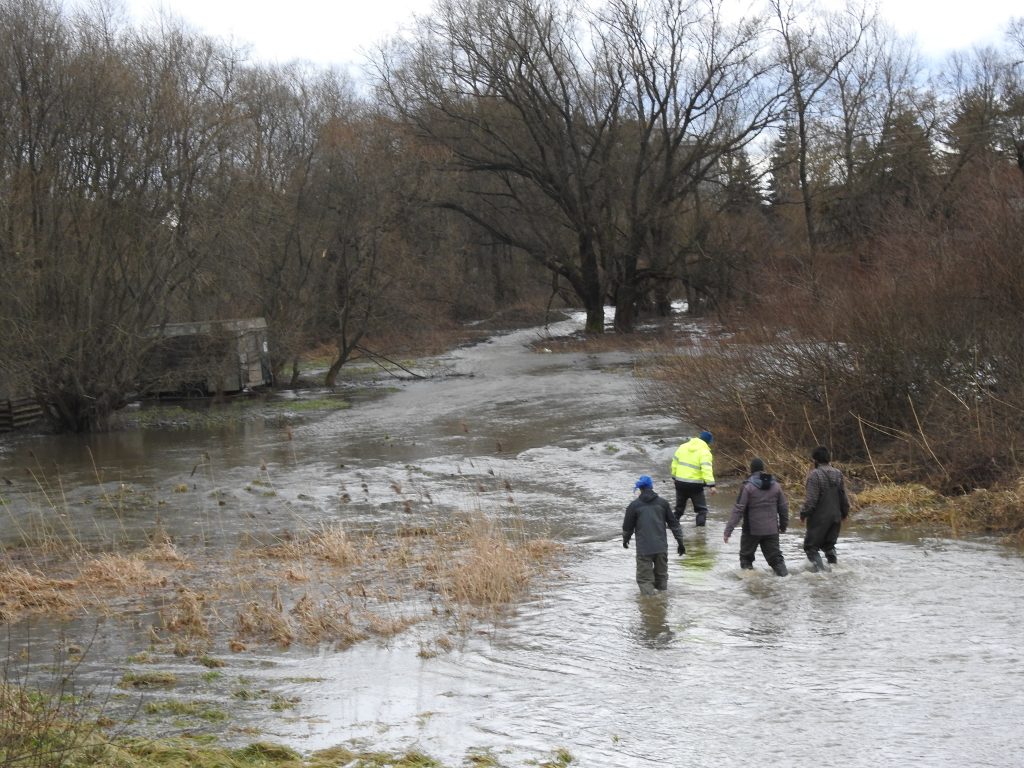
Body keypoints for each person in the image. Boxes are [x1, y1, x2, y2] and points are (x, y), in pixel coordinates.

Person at [723, 457, 789, 576]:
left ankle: (751, 585)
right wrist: (783, 526)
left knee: (746, 559)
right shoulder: (776, 486)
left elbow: (738, 510)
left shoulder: (748, 487)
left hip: (751, 531)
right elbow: (783, 507)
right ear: (763, 469)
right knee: (776, 560)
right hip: (772, 530)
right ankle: (786, 579)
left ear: (751, 470)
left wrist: (728, 531)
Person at [622, 475, 686, 595]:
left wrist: (626, 539)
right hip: (661, 548)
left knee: (645, 580)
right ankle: (662, 606)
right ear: (652, 487)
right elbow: (674, 524)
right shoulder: (663, 503)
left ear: (640, 489)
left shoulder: (634, 506)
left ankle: (650, 606)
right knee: (662, 578)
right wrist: (680, 542)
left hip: (644, 549)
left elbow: (627, 527)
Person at [798, 445, 850, 572]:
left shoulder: (814, 475)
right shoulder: (838, 474)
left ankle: (821, 575)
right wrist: (844, 513)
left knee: (811, 547)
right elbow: (843, 496)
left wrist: (803, 514)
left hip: (819, 519)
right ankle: (834, 569)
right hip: (835, 517)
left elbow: (811, 500)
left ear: (815, 460)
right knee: (829, 546)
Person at [670, 430, 717, 526]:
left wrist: (674, 478)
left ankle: (671, 527)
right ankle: (700, 534)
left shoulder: (682, 447)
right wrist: (711, 485)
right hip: (695, 486)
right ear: (708, 441)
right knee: (702, 510)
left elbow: (674, 464)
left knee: (679, 510)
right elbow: (706, 469)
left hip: (680, 483)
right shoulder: (705, 452)